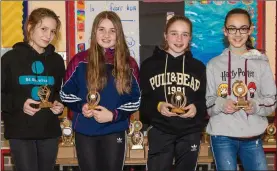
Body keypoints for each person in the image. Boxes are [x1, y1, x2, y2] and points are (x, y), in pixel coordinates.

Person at [60, 11, 140, 171]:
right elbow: (65, 93)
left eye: (112, 30)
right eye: (101, 29)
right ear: (94, 31)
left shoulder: (128, 64)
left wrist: (113, 115)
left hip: (115, 130)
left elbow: (135, 100)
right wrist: (82, 106)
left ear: (119, 34)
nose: (106, 35)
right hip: (85, 131)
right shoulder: (79, 60)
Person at [206, 8, 276, 171]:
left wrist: (255, 105)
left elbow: (271, 100)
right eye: (232, 28)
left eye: (243, 28)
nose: (237, 34)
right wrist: (222, 104)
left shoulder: (261, 63)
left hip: (253, 137)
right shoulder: (213, 65)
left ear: (250, 30)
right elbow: (208, 104)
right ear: (225, 31)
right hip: (222, 135)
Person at [140, 15, 206, 171]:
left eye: (185, 34)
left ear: (190, 37)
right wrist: (158, 106)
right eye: (174, 33)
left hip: (190, 132)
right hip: (160, 130)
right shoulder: (149, 65)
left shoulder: (198, 68)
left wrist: (196, 108)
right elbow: (142, 102)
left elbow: (204, 101)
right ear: (165, 35)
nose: (179, 39)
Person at [1, 8, 65, 171]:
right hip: (20, 133)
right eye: (43, 29)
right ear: (30, 27)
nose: (48, 35)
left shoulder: (57, 61)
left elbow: (57, 92)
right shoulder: (9, 59)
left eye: (52, 31)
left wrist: (58, 104)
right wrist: (20, 104)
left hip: (49, 133)